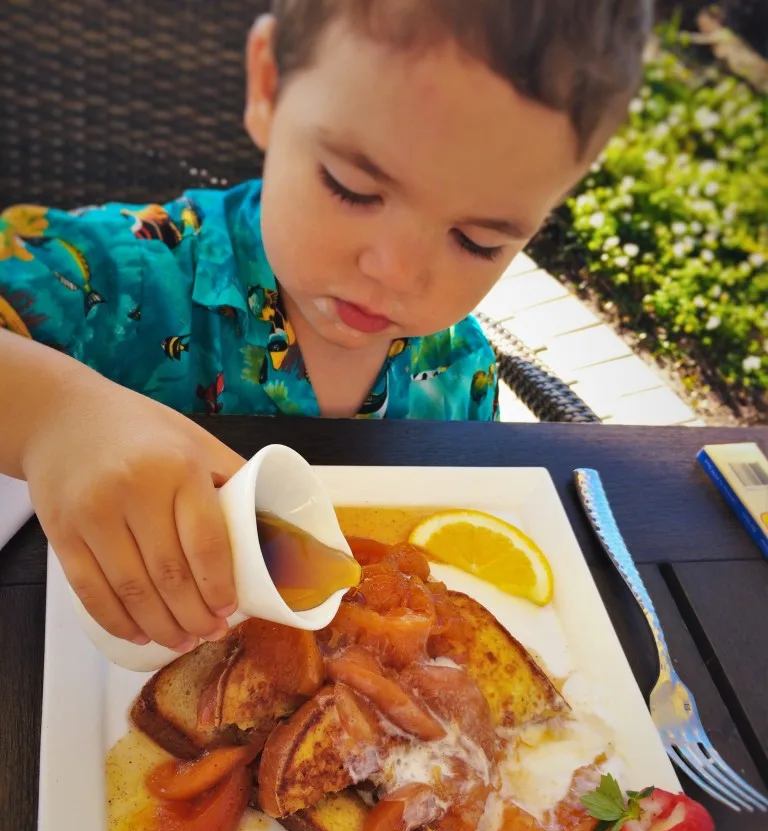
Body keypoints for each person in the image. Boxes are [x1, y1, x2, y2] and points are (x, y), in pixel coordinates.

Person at [0, 0, 652, 653]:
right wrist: (54, 415)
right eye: (351, 188)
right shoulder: (124, 275)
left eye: (478, 241)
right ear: (267, 87)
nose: (395, 271)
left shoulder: (460, 375)